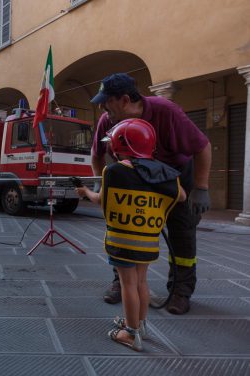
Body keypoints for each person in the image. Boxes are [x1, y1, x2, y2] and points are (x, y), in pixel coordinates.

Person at [89, 73, 211, 315]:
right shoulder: (107, 120)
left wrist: (201, 188)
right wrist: (99, 184)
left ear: (124, 99)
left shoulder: (166, 111)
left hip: (174, 175)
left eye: (106, 101)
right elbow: (96, 154)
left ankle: (180, 291)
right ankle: (122, 282)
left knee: (182, 234)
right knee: (125, 229)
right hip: (134, 176)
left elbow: (202, 146)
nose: (102, 107)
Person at [77, 118, 186, 351]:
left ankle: (130, 333)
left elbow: (101, 200)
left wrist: (85, 191)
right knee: (142, 282)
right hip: (148, 241)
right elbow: (182, 196)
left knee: (128, 284)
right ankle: (140, 324)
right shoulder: (165, 174)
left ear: (119, 144)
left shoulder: (113, 171)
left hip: (122, 240)